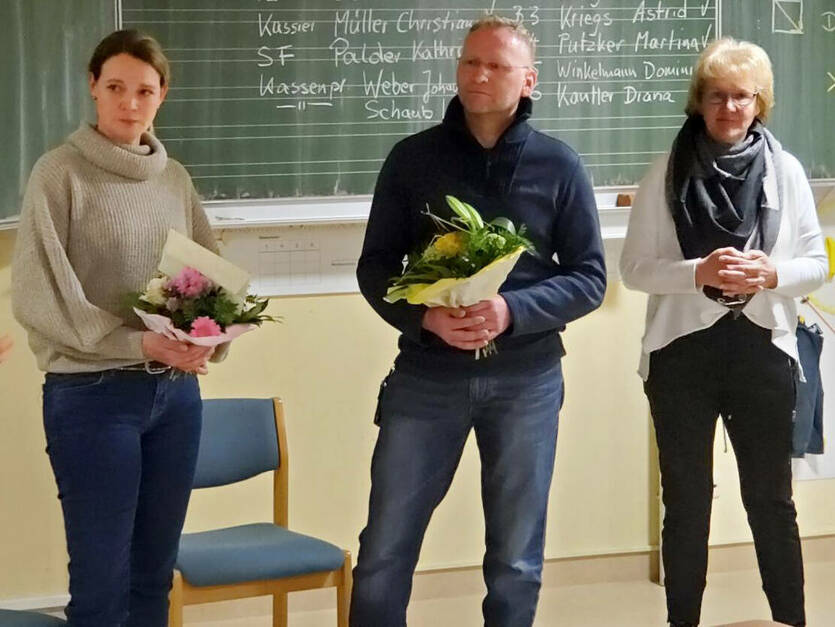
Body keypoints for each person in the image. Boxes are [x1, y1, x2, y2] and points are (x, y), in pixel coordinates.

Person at [351, 15, 606, 627]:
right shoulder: (413, 159)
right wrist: (425, 320)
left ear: (528, 80)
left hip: (528, 382)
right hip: (426, 378)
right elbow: (375, 266)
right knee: (385, 548)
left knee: (517, 557)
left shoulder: (559, 166)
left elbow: (591, 278)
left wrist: (512, 310)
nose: (479, 75)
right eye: (470, 62)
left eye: (496, 65)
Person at [12, 30, 223, 627]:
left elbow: (207, 276)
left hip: (175, 397)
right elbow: (41, 295)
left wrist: (202, 338)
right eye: (116, 88)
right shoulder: (59, 174)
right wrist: (136, 341)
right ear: (93, 88)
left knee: (154, 575)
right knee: (103, 582)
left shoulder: (173, 178)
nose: (130, 102)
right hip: (92, 397)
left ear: (162, 98)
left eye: (145, 91)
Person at [620, 38, 826, 627]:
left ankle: (792, 619)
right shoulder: (665, 170)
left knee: (771, 501)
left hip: (765, 350)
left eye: (742, 96)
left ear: (759, 102)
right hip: (682, 353)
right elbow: (634, 270)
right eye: (717, 96)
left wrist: (771, 273)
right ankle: (681, 619)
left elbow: (816, 263)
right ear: (699, 102)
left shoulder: (785, 170)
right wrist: (697, 273)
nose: (730, 108)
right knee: (686, 503)